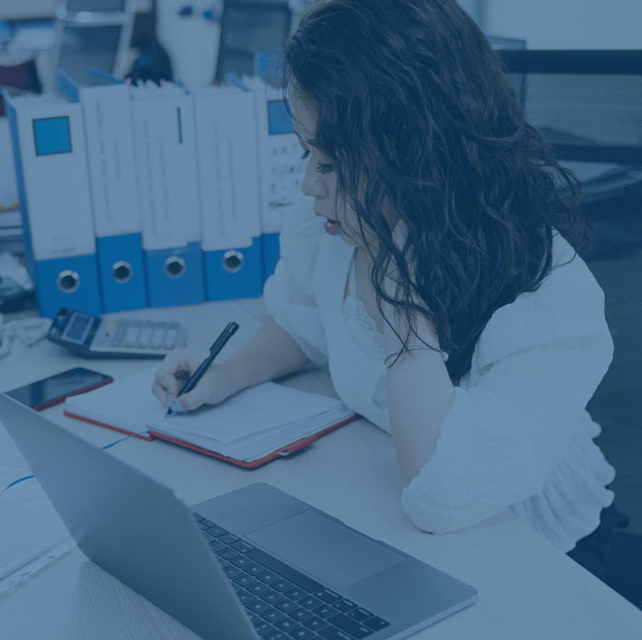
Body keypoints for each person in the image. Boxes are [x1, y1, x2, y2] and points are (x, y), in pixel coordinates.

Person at [152, 0, 620, 564]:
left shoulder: (548, 295)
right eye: (307, 154)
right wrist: (226, 374)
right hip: (404, 520)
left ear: (414, 154)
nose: (307, 184)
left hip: (536, 548)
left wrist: (400, 298)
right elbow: (308, 326)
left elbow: (441, 492)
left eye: (328, 163)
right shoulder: (335, 230)